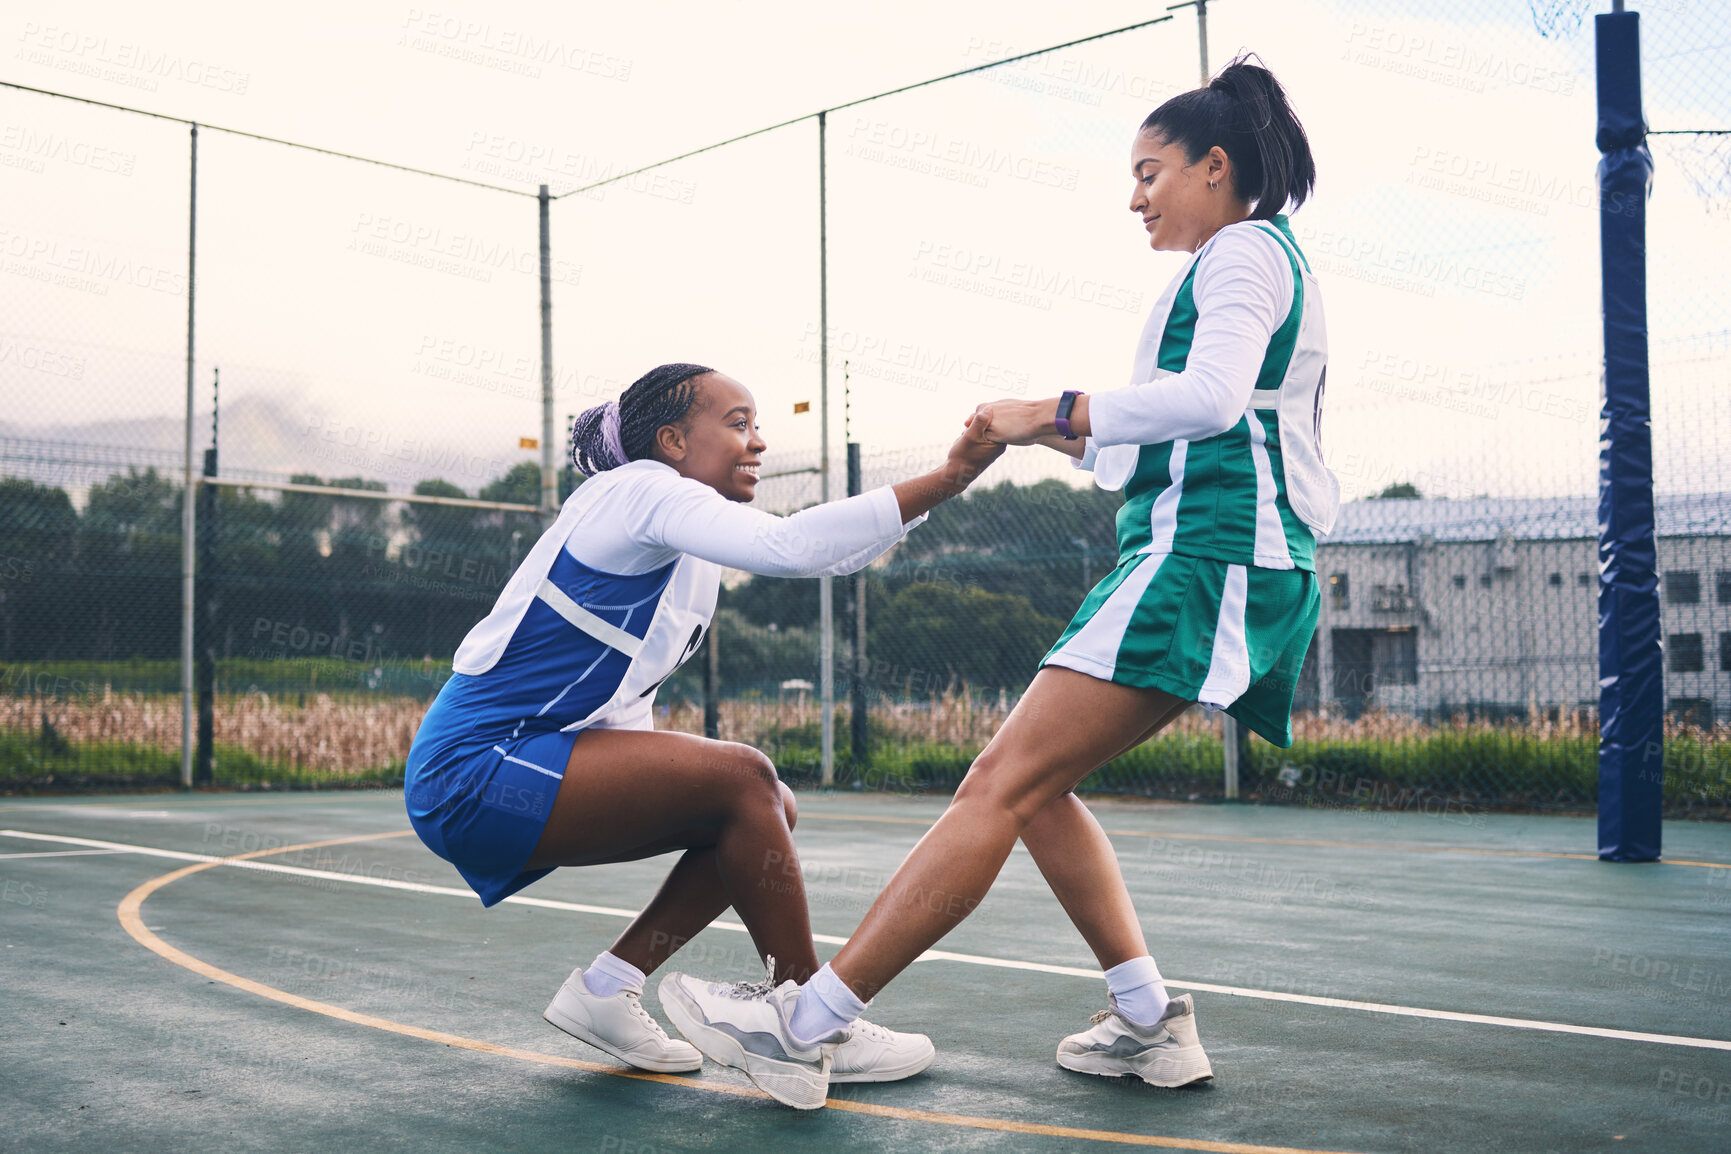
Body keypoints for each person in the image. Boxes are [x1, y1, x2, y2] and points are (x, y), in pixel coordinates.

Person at [660, 57, 1340, 1108]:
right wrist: (1047, 440)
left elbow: (1208, 403)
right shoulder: (1242, 261)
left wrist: (1052, 406)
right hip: (1203, 551)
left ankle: (807, 1021)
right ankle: (1150, 1019)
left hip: (1205, 558)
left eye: (1150, 171)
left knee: (998, 784)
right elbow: (1177, 436)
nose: (1135, 195)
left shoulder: (1243, 252)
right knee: (1032, 784)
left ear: (1216, 166)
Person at [403, 362, 1003, 1102]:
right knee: (742, 777)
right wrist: (946, 476)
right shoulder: (639, 491)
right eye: (738, 423)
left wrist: (950, 485)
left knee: (765, 805)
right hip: (476, 769)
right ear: (673, 441)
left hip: (523, 768)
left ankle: (607, 987)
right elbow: (792, 547)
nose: (758, 443)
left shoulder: (685, 548)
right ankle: (804, 1015)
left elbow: (830, 557)